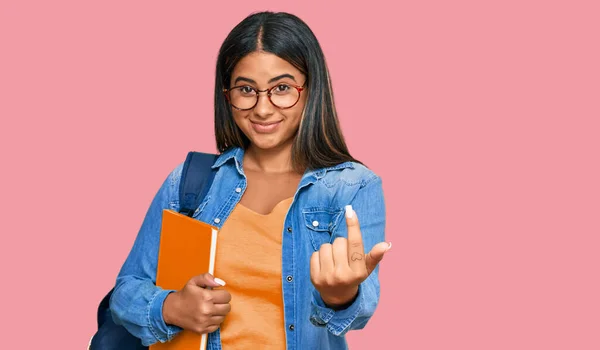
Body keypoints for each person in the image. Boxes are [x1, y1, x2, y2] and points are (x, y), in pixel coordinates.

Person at [109, 10, 391, 350]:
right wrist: (171, 308)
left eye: (282, 88)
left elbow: (359, 311)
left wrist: (340, 293)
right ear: (227, 95)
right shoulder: (191, 181)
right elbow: (127, 289)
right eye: (246, 89)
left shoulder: (353, 187)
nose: (262, 108)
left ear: (311, 89)